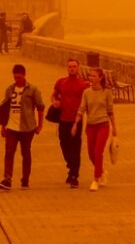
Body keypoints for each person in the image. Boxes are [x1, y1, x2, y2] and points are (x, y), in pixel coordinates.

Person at [0, 64, 44, 190]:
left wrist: (40, 125)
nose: (16, 80)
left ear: (24, 75)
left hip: (27, 127)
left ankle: (25, 179)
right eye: (15, 77)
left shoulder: (33, 90)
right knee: (9, 152)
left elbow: (40, 107)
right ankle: (7, 179)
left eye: (19, 77)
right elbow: (5, 108)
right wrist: (3, 126)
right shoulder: (9, 90)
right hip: (12, 126)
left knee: (26, 153)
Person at [71, 67, 117, 191]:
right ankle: (102, 171)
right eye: (90, 76)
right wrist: (75, 124)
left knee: (98, 152)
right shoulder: (86, 92)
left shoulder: (106, 92)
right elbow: (81, 109)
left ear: (100, 78)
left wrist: (114, 128)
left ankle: (96, 179)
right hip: (90, 126)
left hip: (103, 125)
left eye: (94, 76)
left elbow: (110, 111)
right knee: (91, 154)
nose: (91, 78)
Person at [51, 59, 90, 188]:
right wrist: (54, 102)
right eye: (70, 66)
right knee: (64, 144)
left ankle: (74, 175)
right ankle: (71, 166)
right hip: (63, 119)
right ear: (67, 68)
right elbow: (54, 95)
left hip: (76, 120)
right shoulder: (61, 82)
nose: (72, 68)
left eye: (74, 66)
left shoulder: (83, 85)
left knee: (75, 146)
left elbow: (89, 101)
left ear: (78, 68)